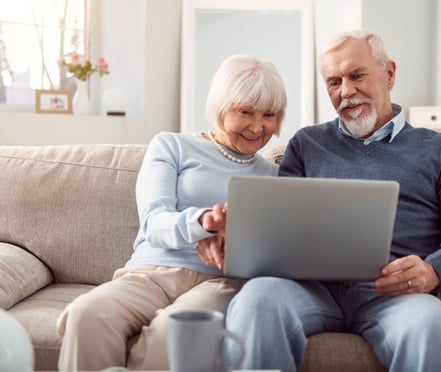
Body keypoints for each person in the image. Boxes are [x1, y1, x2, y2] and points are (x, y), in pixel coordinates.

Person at [225, 29, 441, 372]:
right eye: (334, 82)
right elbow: (279, 226)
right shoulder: (306, 144)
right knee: (256, 300)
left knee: (432, 327)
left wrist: (432, 271)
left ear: (390, 73)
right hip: (308, 290)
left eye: (357, 75)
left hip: (394, 295)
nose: (346, 91)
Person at [56, 54, 287, 370]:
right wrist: (205, 221)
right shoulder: (171, 146)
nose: (258, 127)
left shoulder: (274, 174)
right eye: (245, 112)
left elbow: (273, 248)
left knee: (175, 333)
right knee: (86, 315)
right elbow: (154, 221)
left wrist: (236, 240)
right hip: (150, 272)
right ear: (220, 108)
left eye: (269, 115)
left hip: (219, 281)